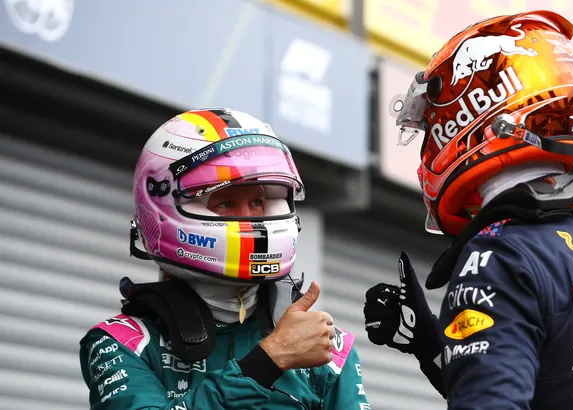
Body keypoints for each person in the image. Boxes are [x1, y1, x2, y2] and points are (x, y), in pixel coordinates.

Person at [363, 11, 573, 410]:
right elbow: (557, 382)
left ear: (472, 112)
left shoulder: (501, 254)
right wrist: (431, 345)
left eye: (434, 121)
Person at [79, 108, 369, 410]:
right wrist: (270, 359)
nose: (250, 218)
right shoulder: (120, 342)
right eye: (226, 203)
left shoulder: (326, 348)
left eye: (257, 202)